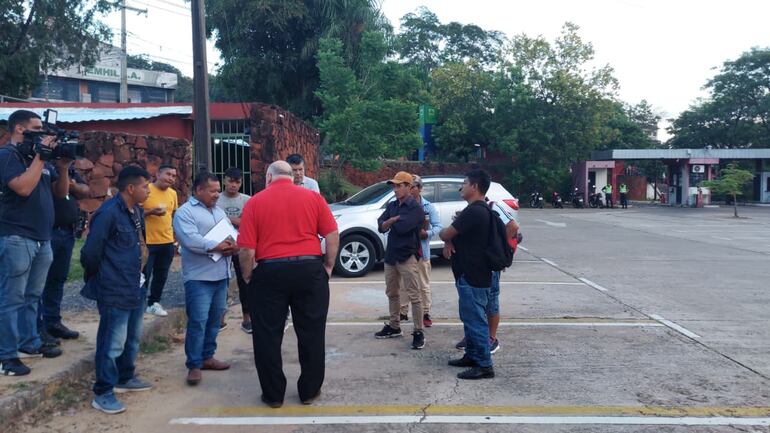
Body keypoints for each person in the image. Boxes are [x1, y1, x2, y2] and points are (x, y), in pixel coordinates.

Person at [238, 161, 339, 408]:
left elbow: (246, 248)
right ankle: (309, 391)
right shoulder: (313, 198)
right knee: (312, 333)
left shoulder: (255, 202)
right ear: (293, 177)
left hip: (270, 272)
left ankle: (273, 395)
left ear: (269, 177)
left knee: (267, 336)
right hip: (309, 270)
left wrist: (248, 276)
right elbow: (332, 234)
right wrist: (328, 266)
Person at [80, 166, 154, 414]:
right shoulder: (108, 213)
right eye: (145, 186)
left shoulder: (136, 212)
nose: (148, 190)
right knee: (112, 341)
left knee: (131, 338)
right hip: (114, 288)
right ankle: (103, 392)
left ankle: (125, 377)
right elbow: (90, 253)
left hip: (135, 285)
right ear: (131, 188)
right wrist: (101, 279)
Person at [1, 110, 69, 377]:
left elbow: (61, 194)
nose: (43, 133)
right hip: (16, 236)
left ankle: (28, 343)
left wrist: (62, 167)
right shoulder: (8, 156)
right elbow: (22, 188)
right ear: (19, 129)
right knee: (11, 298)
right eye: (37, 128)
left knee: (32, 296)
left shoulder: (39, 159)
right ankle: (7, 357)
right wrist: (41, 157)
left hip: (43, 238)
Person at [173, 173, 236, 386]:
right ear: (199, 190)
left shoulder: (219, 212)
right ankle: (194, 364)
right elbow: (190, 240)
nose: (217, 194)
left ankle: (208, 356)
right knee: (198, 321)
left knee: (215, 319)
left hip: (221, 274)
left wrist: (232, 245)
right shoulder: (185, 213)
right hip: (199, 277)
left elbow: (229, 233)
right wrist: (215, 246)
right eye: (213, 191)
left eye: (218, 190)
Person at [439, 169, 495, 380]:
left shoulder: (474, 211)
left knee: (475, 321)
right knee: (470, 318)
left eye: (464, 183)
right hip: (473, 274)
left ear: (475, 186)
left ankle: (484, 365)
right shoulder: (479, 211)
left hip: (472, 275)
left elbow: (445, 232)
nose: (461, 187)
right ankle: (472, 356)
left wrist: (448, 236)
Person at [455, 200, 519, 355]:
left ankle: (491, 338)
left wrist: (499, 248)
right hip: (477, 264)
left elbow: (513, 226)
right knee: (477, 302)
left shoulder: (492, 206)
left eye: (465, 183)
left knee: (491, 300)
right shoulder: (471, 209)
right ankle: (474, 337)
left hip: (489, 263)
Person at [374, 171, 426, 350]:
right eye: (394, 186)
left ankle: (419, 331)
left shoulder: (416, 209)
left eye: (399, 186)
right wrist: (392, 220)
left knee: (414, 295)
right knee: (392, 292)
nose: (395, 189)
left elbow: (403, 228)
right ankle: (394, 326)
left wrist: (390, 221)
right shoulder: (392, 205)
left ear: (409, 187)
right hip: (391, 256)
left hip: (407, 255)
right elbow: (380, 226)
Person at [40, 163, 90, 342]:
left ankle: (53, 322)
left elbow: (85, 189)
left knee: (58, 279)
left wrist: (74, 185)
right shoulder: (45, 166)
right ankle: (37, 327)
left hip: (67, 232)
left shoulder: (68, 168)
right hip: (48, 230)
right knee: (40, 281)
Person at [399, 175, 441, 328]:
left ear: (420, 189)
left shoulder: (428, 207)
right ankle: (402, 312)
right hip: (405, 251)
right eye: (409, 186)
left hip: (421, 251)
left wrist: (427, 234)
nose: (411, 189)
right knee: (404, 284)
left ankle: (426, 313)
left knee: (423, 284)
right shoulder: (402, 205)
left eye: (414, 186)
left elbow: (438, 226)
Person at [216, 167, 252, 333]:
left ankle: (247, 318)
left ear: (241, 183)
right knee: (220, 282)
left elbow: (248, 223)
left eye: (237, 182)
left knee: (245, 282)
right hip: (219, 247)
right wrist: (238, 220)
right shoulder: (216, 199)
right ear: (224, 180)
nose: (233, 185)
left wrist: (226, 219)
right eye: (230, 181)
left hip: (241, 247)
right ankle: (219, 319)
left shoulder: (248, 200)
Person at [142, 164, 179, 317]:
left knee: (161, 275)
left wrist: (176, 238)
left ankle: (153, 303)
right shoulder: (146, 190)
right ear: (157, 174)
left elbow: (174, 215)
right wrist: (151, 212)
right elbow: (135, 212)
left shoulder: (173, 194)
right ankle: (138, 303)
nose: (170, 178)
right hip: (147, 241)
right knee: (144, 274)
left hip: (167, 241)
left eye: (173, 176)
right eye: (168, 174)